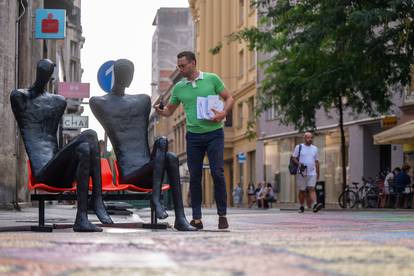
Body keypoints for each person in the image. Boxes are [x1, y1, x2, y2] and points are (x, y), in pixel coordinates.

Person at [90, 59, 195, 231]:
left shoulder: (143, 101)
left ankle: (179, 218)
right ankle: (157, 199)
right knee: (163, 145)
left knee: (169, 154)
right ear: (129, 79)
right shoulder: (99, 102)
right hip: (130, 174)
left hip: (150, 170)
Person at [10, 59, 113, 232]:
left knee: (84, 148)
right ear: (37, 72)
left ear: (51, 77)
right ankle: (96, 199)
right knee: (90, 135)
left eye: (47, 72)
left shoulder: (58, 101)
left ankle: (82, 218)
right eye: (42, 71)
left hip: (60, 173)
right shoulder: (19, 97)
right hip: (43, 172)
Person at [155, 51, 234, 229]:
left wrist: (224, 113)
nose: (180, 69)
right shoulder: (179, 88)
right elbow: (169, 111)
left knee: (217, 173)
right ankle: (197, 218)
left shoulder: (212, 79)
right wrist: (161, 111)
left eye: (183, 65)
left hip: (215, 133)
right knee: (195, 177)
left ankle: (222, 215)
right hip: (193, 136)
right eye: (178, 66)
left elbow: (229, 97)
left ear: (193, 63)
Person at [291, 132, 323, 213]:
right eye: (308, 138)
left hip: (312, 173)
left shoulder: (315, 148)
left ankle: (315, 204)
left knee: (311, 188)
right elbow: (293, 158)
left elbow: (316, 161)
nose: (310, 139)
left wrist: (318, 173)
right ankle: (301, 206)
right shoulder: (299, 147)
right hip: (302, 172)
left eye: (311, 138)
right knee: (302, 190)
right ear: (304, 138)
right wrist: (299, 164)